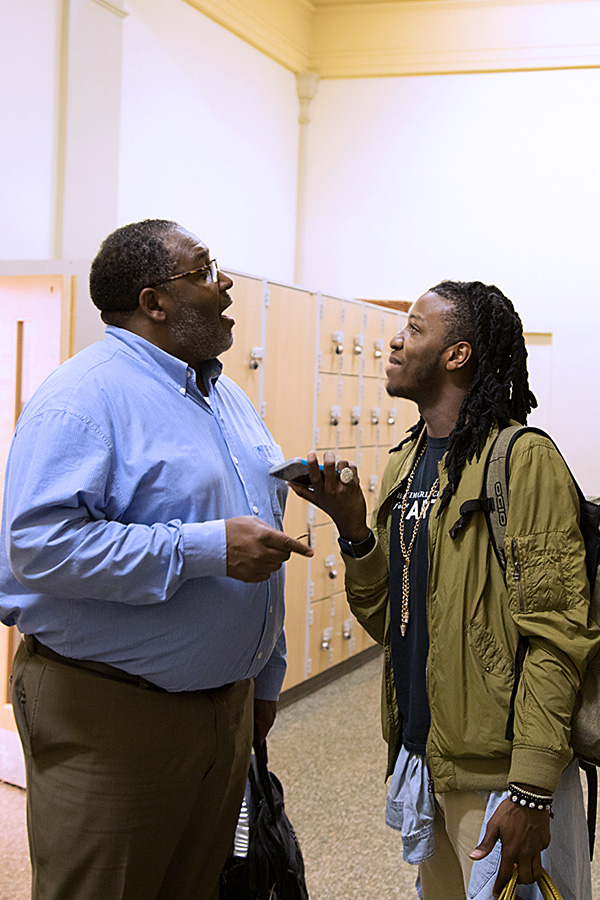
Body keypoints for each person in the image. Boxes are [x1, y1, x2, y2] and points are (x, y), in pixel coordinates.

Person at [0, 218, 313, 900]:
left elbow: (259, 530)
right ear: (154, 302)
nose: (224, 282)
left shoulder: (223, 396)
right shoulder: (84, 397)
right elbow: (37, 548)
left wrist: (263, 678)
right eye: (203, 271)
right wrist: (203, 548)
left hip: (224, 711)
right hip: (113, 714)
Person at [291, 281, 600, 900]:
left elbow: (557, 635)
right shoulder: (408, 462)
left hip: (506, 778)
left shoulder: (523, 460)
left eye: (413, 327)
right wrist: (354, 529)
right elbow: (393, 621)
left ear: (456, 355)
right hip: (427, 759)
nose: (395, 339)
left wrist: (532, 788)